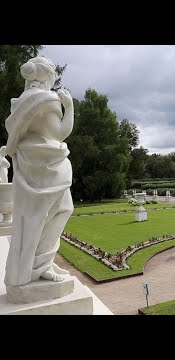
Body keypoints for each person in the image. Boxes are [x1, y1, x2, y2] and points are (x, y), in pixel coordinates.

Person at [4, 56, 74, 286]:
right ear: (47, 76)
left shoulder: (21, 101)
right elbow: (59, 133)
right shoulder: (46, 100)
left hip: (30, 165)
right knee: (54, 212)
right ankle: (38, 266)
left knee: (36, 218)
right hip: (47, 167)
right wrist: (69, 106)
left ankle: (38, 264)